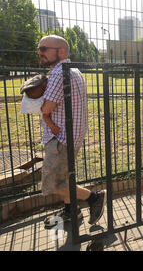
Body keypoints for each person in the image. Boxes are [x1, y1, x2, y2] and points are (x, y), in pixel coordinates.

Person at [36, 35, 106, 228]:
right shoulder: (73, 70)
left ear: (62, 51)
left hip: (61, 137)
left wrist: (37, 104)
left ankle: (93, 198)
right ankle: (70, 211)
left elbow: (46, 109)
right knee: (64, 178)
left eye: (44, 48)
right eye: (39, 49)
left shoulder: (59, 73)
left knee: (53, 183)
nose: (40, 52)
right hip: (71, 134)